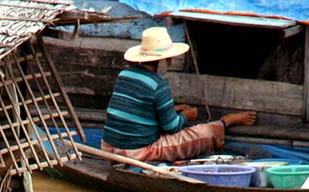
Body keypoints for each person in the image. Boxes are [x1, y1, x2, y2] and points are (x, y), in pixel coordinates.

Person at [101, 26, 257, 163]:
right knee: (204, 133)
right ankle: (225, 122)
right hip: (135, 153)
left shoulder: (124, 75)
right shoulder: (158, 84)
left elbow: (139, 109)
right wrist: (187, 116)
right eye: (168, 60)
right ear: (161, 61)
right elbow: (172, 127)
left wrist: (173, 109)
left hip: (107, 149)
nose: (169, 64)